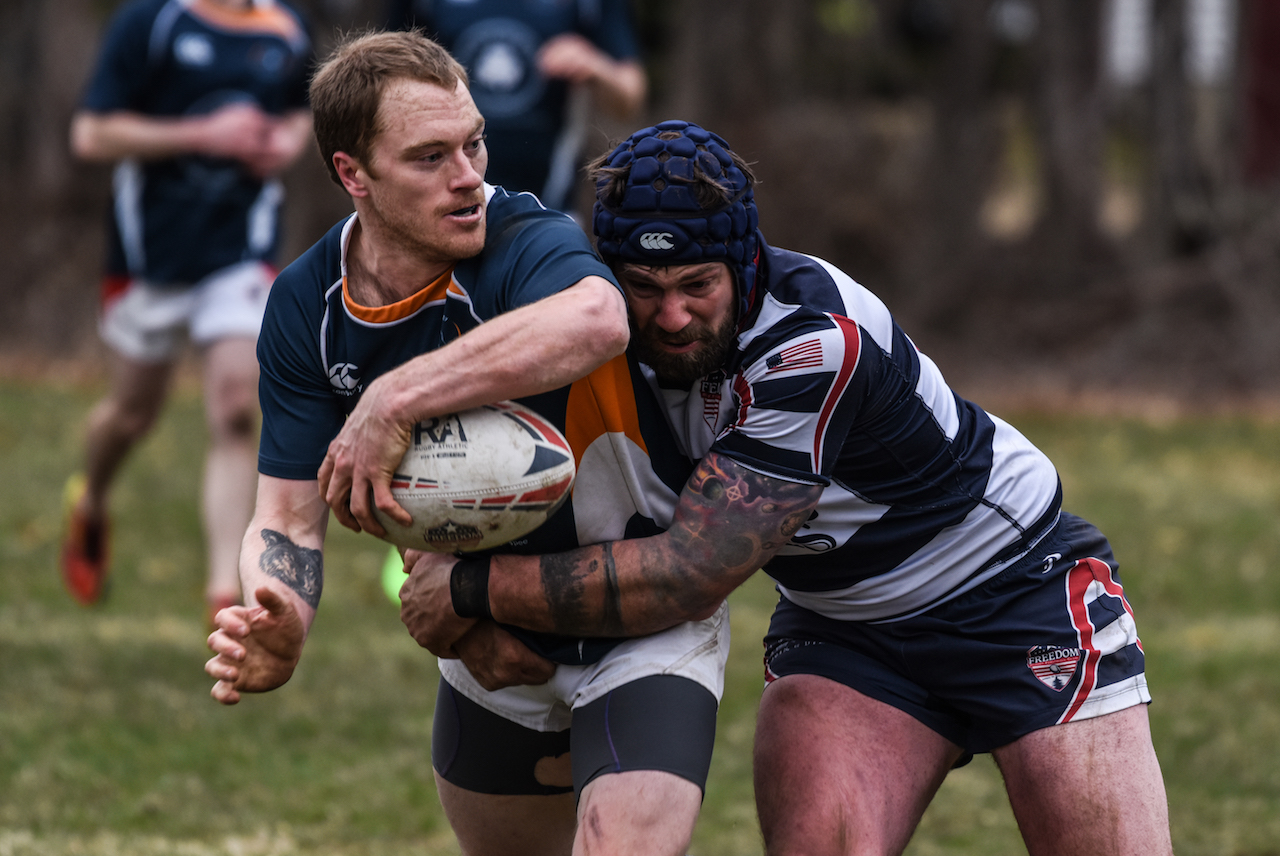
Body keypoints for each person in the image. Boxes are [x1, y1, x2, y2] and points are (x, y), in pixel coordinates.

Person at [391, 120, 1176, 855]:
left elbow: (689, 572)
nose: (670, 317)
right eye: (644, 285)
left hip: (1012, 594)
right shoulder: (592, 321)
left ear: (745, 262)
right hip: (847, 633)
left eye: (698, 284)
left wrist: (468, 589)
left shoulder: (811, 342)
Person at [203, 32, 726, 856]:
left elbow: (596, 319)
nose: (469, 175)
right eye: (430, 156)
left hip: (642, 621)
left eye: (474, 141)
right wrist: (284, 617)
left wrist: (392, 399)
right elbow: (288, 518)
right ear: (353, 175)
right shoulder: (307, 307)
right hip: (479, 632)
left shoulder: (519, 238)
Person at [61, 0, 314, 624]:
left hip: (240, 251)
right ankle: (90, 500)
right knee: (129, 415)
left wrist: (286, 141)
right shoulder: (152, 21)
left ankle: (221, 594)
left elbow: (300, 109)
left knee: (234, 407)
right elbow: (91, 134)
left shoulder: (284, 27)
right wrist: (202, 135)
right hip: (150, 257)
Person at [386, 0, 647, 215]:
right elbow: (388, 77)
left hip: (547, 200)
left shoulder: (588, 6)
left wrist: (594, 64)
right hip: (442, 200)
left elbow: (629, 97)